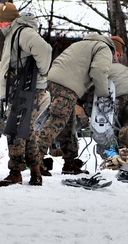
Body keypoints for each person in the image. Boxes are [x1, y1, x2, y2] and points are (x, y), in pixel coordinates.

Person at [35, 32, 116, 185]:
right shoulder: (104, 48)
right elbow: (98, 71)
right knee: (57, 120)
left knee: (68, 123)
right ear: (115, 49)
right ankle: (36, 158)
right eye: (117, 54)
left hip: (54, 79)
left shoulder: (83, 43)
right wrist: (103, 94)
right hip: (67, 85)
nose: (116, 58)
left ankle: (70, 162)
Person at [0, 2, 53, 187]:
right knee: (27, 133)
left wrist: (41, 72)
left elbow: (45, 50)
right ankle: (35, 172)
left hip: (27, 90)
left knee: (16, 131)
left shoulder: (23, 33)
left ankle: (16, 172)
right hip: (24, 90)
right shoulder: (16, 33)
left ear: (10, 21)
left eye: (1, 22)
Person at [108, 36, 128, 132]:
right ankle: (125, 145)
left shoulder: (104, 64)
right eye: (118, 55)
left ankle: (113, 144)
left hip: (119, 95)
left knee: (112, 124)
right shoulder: (124, 68)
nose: (118, 58)